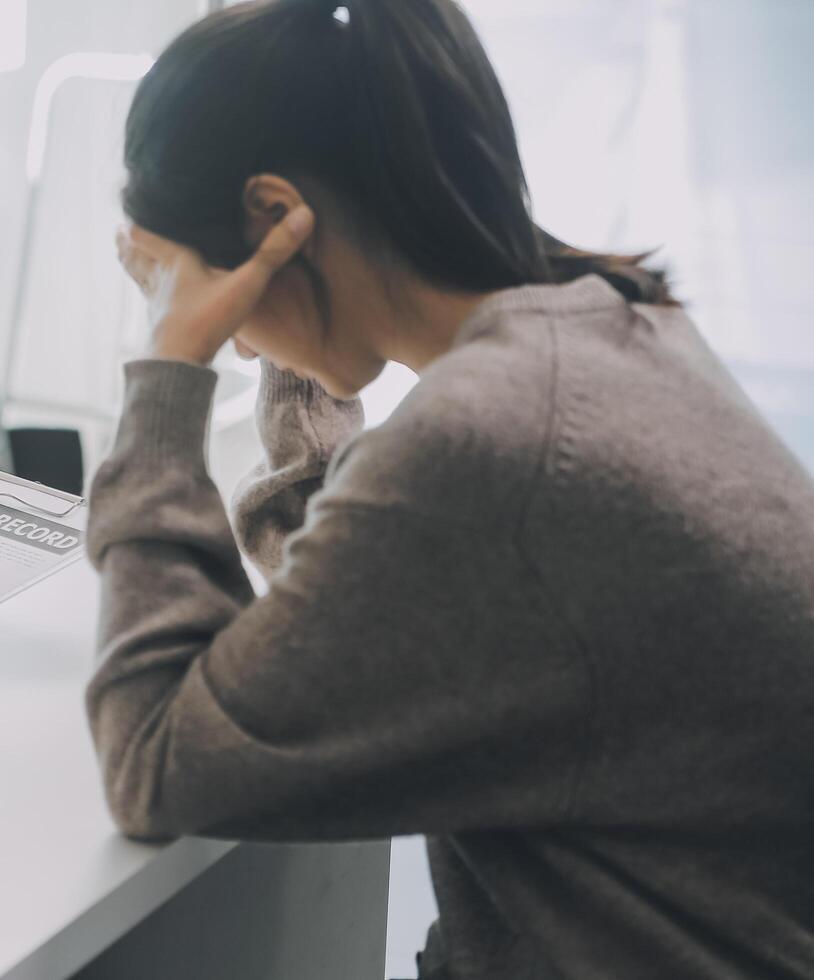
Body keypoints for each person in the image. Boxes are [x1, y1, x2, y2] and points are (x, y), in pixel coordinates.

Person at [84, 1, 814, 977]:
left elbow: (157, 758)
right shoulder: (606, 329)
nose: (234, 334)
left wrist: (170, 366)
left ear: (273, 219)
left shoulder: (494, 439)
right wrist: (290, 343)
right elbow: (366, 607)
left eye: (208, 293)